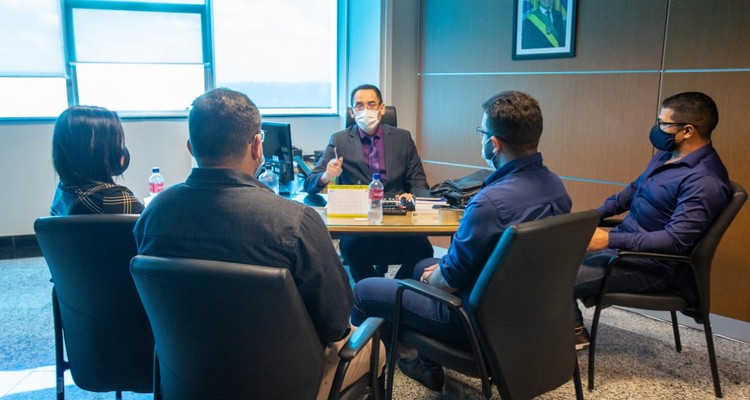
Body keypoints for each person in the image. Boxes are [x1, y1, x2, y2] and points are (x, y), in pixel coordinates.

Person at [133, 88, 383, 399]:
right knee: (376, 347)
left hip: (189, 377)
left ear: (191, 147)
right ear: (256, 146)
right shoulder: (295, 222)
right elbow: (336, 323)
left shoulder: (153, 215)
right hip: (286, 385)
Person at [350, 91, 572, 391]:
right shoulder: (556, 188)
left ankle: (363, 381)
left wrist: (436, 276)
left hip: (471, 322)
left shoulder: (488, 205)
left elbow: (447, 282)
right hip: (529, 313)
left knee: (364, 290)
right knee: (422, 263)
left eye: (482, 133)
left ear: (494, 144)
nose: (482, 140)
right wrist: (439, 270)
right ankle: (427, 365)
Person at [573, 92, 731, 350]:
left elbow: (675, 240)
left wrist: (610, 239)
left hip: (653, 266)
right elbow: (632, 191)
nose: (657, 129)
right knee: (551, 260)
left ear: (687, 130)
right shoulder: (666, 154)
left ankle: (571, 334)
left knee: (557, 277)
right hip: (625, 249)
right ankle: (570, 329)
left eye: (663, 123)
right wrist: (591, 217)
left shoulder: (705, 180)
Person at [303, 84, 434, 282]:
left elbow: (418, 181)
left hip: (398, 218)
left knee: (423, 250)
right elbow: (309, 183)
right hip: (359, 221)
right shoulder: (339, 140)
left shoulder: (403, 138)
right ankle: (372, 291)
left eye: (371, 104)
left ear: (382, 108)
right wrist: (327, 175)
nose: (366, 110)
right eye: (359, 105)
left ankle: (393, 289)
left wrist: (414, 198)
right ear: (351, 112)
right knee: (352, 251)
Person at [50, 105, 143, 215]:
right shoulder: (113, 199)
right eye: (117, 142)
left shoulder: (64, 190)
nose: (121, 149)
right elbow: (150, 221)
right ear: (99, 151)